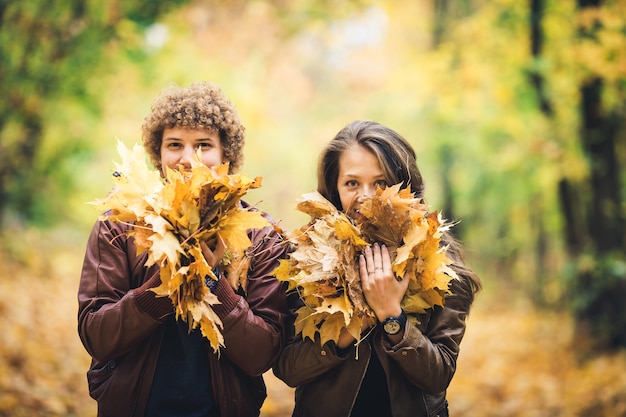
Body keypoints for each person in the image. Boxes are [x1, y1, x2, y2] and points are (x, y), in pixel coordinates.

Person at [78, 81, 289, 417]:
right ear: (158, 154)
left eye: (203, 145)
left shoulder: (260, 234)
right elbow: (97, 335)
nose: (188, 159)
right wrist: (165, 285)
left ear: (226, 155)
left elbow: (263, 353)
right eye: (174, 144)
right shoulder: (120, 225)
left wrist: (212, 281)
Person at [273, 120, 481, 417]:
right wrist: (354, 325)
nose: (366, 197)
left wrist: (390, 315)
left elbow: (438, 375)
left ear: (406, 187)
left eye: (381, 183)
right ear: (334, 188)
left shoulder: (441, 266)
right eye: (352, 183)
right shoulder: (307, 261)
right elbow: (288, 369)